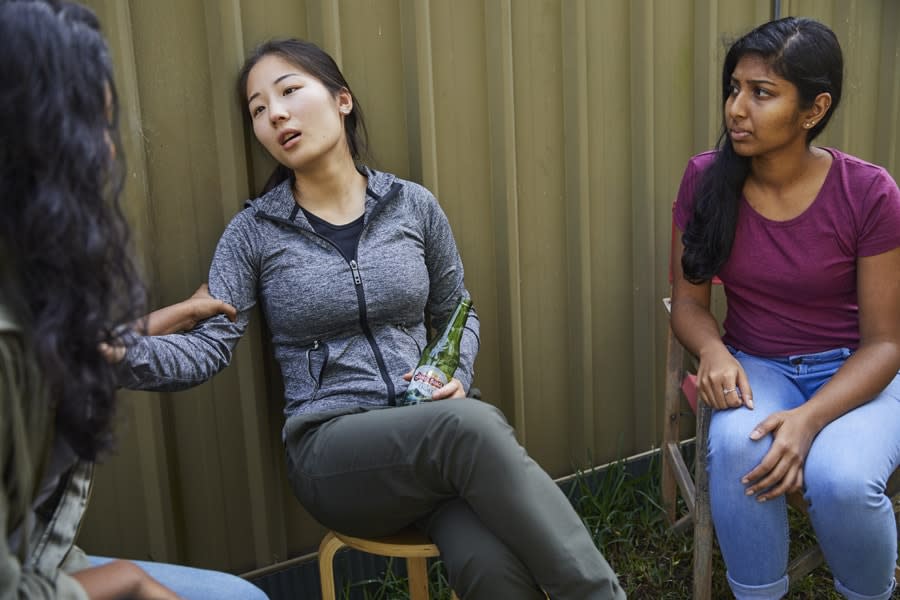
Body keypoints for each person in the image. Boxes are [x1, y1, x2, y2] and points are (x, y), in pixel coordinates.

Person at [113, 37, 626, 599]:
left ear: (342, 101)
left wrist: (459, 374)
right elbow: (205, 350)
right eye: (258, 109)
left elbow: (457, 310)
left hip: (426, 441)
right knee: (472, 428)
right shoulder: (254, 232)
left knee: (490, 564)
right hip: (334, 455)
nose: (275, 114)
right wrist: (116, 349)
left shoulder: (412, 205)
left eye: (288, 91)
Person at [0, 1, 264, 598]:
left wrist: (181, 313)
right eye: (91, 125)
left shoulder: (23, 275)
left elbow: (82, 344)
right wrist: (126, 583)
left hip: (47, 554)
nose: (110, 151)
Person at [670, 16, 900, 600]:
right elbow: (690, 304)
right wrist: (713, 349)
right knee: (737, 451)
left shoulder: (868, 193)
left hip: (857, 373)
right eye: (734, 88)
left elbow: (885, 344)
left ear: (814, 109)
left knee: (841, 479)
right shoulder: (705, 180)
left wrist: (808, 421)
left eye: (762, 93)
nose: (736, 109)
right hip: (759, 368)